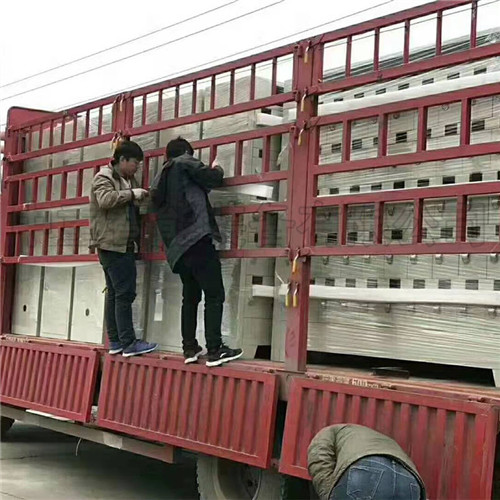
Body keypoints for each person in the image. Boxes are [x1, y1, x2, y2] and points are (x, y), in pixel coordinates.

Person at [150, 137, 243, 367]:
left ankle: (190, 348)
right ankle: (215, 349)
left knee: (190, 297)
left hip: (177, 248)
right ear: (186, 152)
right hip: (196, 239)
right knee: (214, 293)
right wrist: (218, 168)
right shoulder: (184, 162)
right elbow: (212, 178)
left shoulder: (159, 178)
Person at [90, 139, 158, 357]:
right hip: (113, 245)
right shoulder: (104, 177)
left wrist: (139, 195)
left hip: (121, 243)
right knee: (124, 293)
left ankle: (116, 341)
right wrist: (132, 194)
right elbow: (105, 200)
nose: (137, 167)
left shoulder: (127, 179)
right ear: (122, 160)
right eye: (135, 163)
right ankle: (128, 342)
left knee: (115, 293)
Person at [308, 424, 426, 500]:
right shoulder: (377, 439)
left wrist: (329, 495)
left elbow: (319, 462)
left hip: (369, 470)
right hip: (409, 480)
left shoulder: (328, 432)